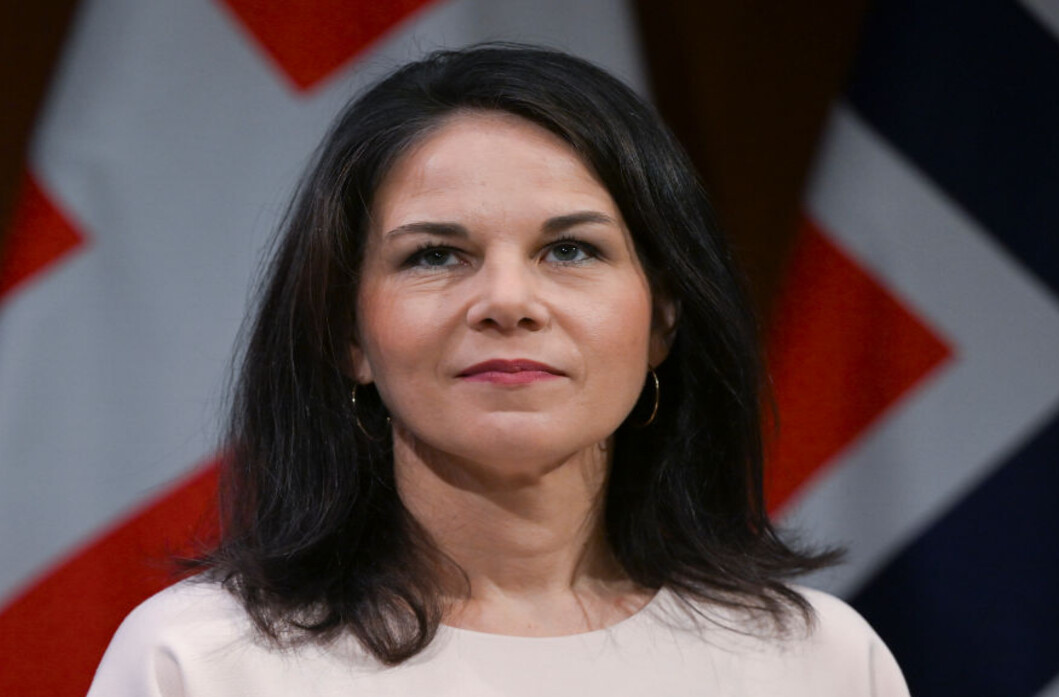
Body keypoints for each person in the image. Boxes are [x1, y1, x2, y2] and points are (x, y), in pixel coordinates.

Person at [87, 44, 909, 696]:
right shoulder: (201, 661)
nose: (507, 301)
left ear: (663, 319)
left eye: (571, 250)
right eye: (435, 255)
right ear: (349, 334)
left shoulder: (816, 662)